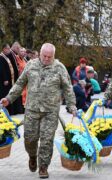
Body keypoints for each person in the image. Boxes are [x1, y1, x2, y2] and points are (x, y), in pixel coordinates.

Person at [0, 43, 77, 179]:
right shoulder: (31, 65)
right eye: (44, 56)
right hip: (32, 109)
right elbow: (20, 83)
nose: (47, 59)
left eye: (50, 57)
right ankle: (32, 156)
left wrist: (72, 106)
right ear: (40, 54)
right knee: (30, 139)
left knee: (47, 140)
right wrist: (8, 98)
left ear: (54, 56)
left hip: (50, 111)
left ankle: (43, 167)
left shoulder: (60, 68)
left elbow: (68, 88)